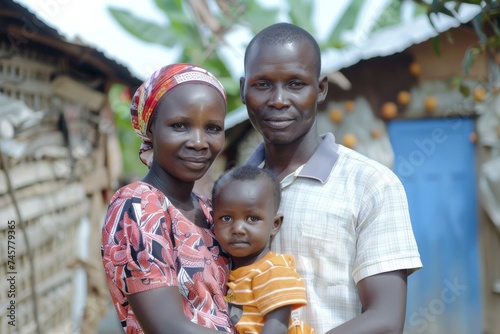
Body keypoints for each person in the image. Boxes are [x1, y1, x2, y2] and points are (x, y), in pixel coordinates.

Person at [240, 22, 423, 334]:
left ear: (320, 88)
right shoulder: (231, 191)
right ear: (244, 89)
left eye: (296, 84)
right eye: (262, 85)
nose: (279, 99)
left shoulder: (370, 184)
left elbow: (386, 320)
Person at [101, 63, 236, 334]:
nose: (199, 142)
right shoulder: (138, 206)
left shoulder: (210, 211)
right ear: (150, 129)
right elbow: (168, 327)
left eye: (212, 128)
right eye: (180, 125)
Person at [211, 165, 314, 334]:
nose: (238, 228)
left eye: (252, 218)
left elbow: (278, 325)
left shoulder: (273, 270)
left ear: (275, 224)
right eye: (226, 218)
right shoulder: (227, 272)